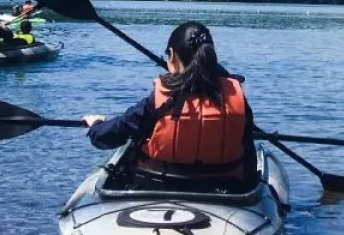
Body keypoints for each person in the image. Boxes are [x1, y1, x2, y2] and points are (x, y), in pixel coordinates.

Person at [82, 22, 254, 187]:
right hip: (226, 187)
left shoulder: (158, 99)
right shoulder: (236, 96)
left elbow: (108, 137)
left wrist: (96, 125)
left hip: (158, 185)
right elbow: (248, 150)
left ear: (171, 55)